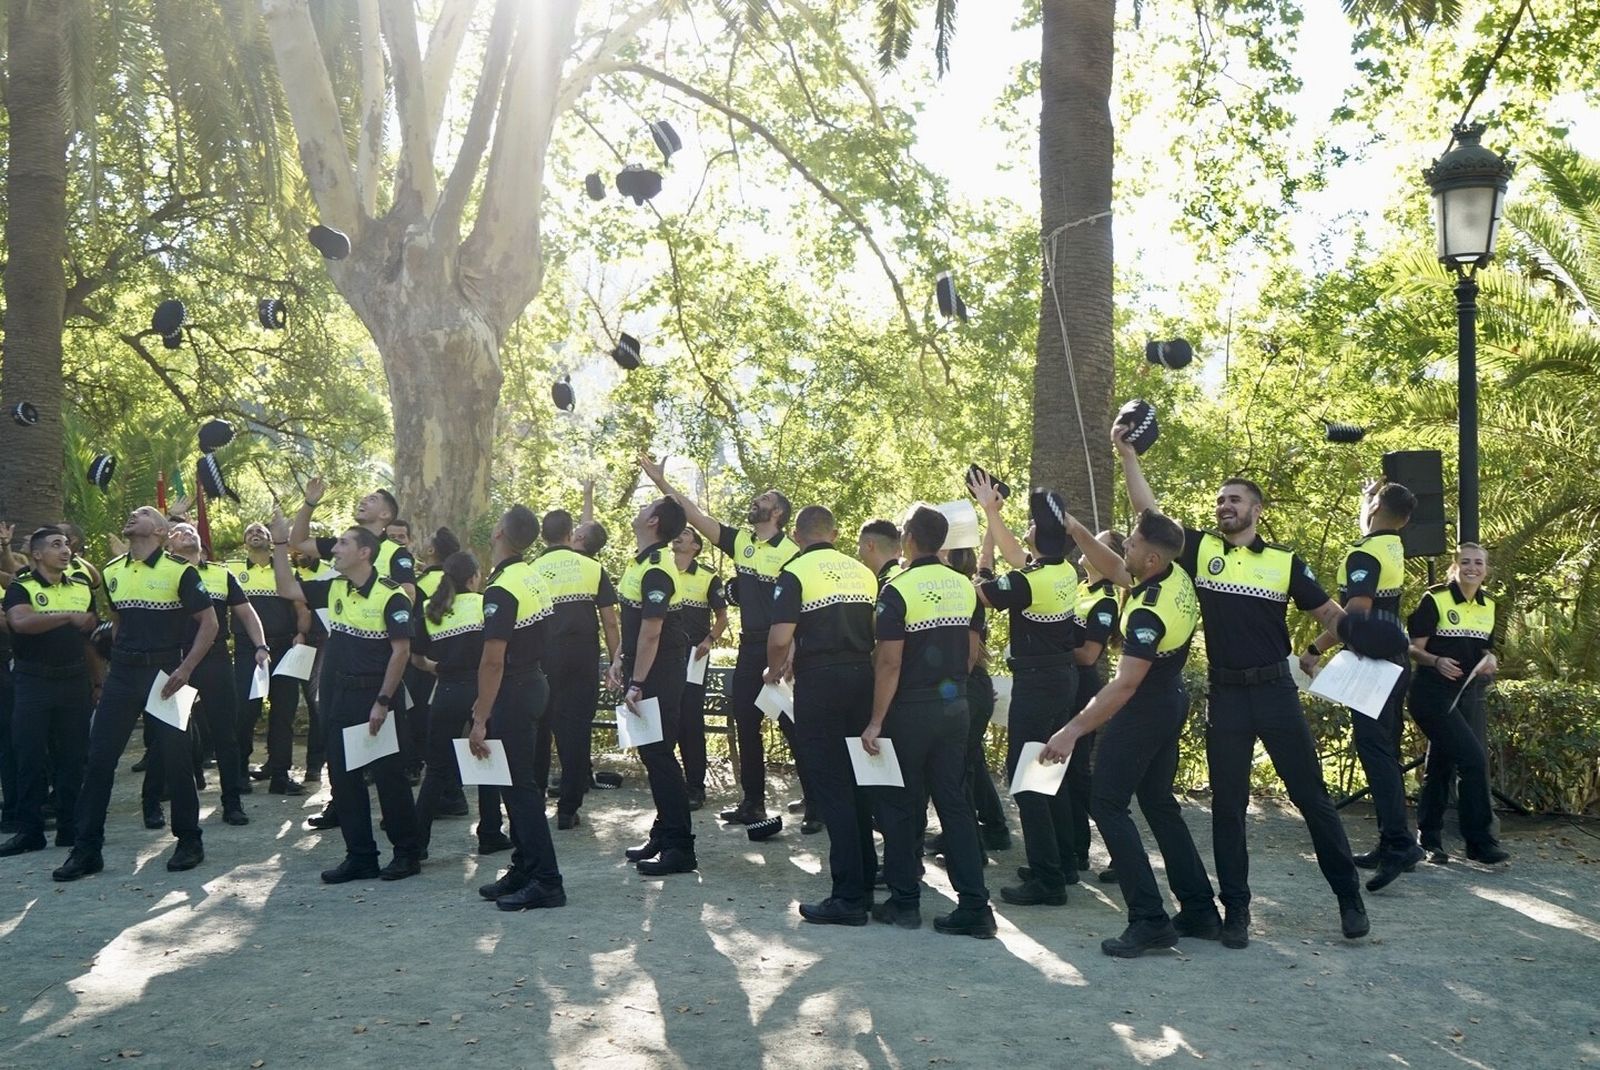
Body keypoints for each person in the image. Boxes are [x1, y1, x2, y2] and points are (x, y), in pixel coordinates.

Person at [1114, 427, 1368, 948]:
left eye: (1235, 499)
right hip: (1226, 697)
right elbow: (1149, 515)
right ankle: (1237, 914)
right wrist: (1127, 454)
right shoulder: (1201, 549)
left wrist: (1337, 647)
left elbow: (1329, 613)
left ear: (1257, 509)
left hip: (1276, 693)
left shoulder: (1285, 562)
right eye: (1220, 499)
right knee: (1228, 809)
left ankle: (1349, 899)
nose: (1225, 505)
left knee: (1312, 799)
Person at [54, 506, 218, 880]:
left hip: (167, 673)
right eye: (129, 512)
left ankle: (190, 840)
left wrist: (186, 668)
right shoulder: (111, 571)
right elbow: (118, 620)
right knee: (98, 759)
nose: (131, 515)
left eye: (142, 513)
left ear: (160, 531)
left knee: (177, 761)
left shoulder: (181, 571)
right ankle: (86, 850)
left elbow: (209, 623)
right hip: (124, 675)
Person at [638, 452, 802, 825]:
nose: (755, 501)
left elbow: (801, 608)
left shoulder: (792, 554)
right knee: (746, 721)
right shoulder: (741, 540)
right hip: (750, 646)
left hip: (783, 646)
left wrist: (792, 651)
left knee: (793, 725)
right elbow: (695, 515)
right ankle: (754, 803)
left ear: (777, 514)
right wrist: (663, 484)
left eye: (765, 500)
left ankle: (817, 803)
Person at [861, 505, 996, 938]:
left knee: (902, 804)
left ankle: (905, 902)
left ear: (908, 539)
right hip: (955, 705)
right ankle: (975, 905)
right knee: (955, 804)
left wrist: (875, 721)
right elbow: (973, 653)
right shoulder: (966, 587)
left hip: (910, 709)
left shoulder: (896, 590)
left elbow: (888, 663)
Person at [266, 512, 421, 883]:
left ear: (364, 552)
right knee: (344, 778)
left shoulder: (391, 595)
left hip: (377, 697)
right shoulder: (334, 586)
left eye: (343, 543)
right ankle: (361, 856)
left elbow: (400, 653)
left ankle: (406, 854)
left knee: (389, 778)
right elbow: (287, 588)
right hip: (339, 697)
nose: (334, 549)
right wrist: (280, 544)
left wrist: (383, 701)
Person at [767, 505, 879, 924]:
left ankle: (847, 898)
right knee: (860, 786)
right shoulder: (863, 573)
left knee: (831, 788)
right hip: (861, 677)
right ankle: (865, 884)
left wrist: (774, 668)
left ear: (797, 536)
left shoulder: (795, 573)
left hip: (820, 682)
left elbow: (780, 637)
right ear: (834, 533)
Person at [971, 480, 1080, 906]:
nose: (1027, 529)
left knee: (1027, 780)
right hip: (1061, 678)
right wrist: (990, 515)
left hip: (1038, 684)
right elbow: (1016, 558)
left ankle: (1048, 880)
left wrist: (991, 517)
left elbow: (980, 590)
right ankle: (1062, 862)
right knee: (1051, 771)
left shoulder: (1029, 580)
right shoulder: (1061, 570)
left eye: (1031, 524)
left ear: (1037, 536)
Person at [1311, 482, 1423, 891]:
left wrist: (1314, 647)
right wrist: (1366, 502)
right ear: (1407, 520)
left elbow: (1355, 616)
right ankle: (1391, 839)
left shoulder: (1364, 554)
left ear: (1379, 508)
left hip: (1373, 667)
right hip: (1394, 661)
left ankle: (1399, 844)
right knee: (1384, 753)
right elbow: (1372, 529)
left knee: (1375, 753)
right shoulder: (1392, 546)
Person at [470, 505, 568, 910]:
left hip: (513, 690)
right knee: (518, 786)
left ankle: (547, 880)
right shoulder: (531, 575)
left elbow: (493, 658)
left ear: (498, 533)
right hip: (534, 684)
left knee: (520, 789)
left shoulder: (502, 587)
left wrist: (479, 715)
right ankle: (524, 867)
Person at [145, 522, 264, 829]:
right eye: (179, 531)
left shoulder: (222, 574)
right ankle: (153, 802)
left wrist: (261, 645)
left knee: (226, 734)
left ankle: (232, 802)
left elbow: (247, 613)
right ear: (169, 544)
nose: (187, 533)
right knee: (166, 735)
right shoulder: (160, 571)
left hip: (214, 660)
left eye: (192, 531)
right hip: (174, 659)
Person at [605, 495, 697, 877]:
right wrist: (618, 661)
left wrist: (637, 682)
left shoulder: (658, 566)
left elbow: (653, 631)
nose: (638, 511)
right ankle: (663, 832)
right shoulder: (642, 561)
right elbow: (634, 622)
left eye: (645, 508)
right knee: (651, 754)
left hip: (659, 670)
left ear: (654, 521)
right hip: (644, 667)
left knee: (660, 755)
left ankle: (680, 848)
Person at [1408, 543, 1509, 866]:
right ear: (1455, 565)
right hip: (1431, 695)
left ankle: (1430, 840)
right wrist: (1435, 661)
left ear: (1486, 569)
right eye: (1465, 561)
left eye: (1478, 563)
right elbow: (1412, 648)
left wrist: (1491, 658)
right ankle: (1479, 843)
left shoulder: (1489, 604)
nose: (1472, 567)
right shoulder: (1435, 598)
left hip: (1465, 695)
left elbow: (1484, 650)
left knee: (1441, 765)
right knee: (1473, 759)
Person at [1, 527, 97, 856]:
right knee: (28, 754)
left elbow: (90, 642)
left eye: (67, 543)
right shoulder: (21, 587)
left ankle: (70, 828)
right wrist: (68, 616)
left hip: (74, 681)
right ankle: (30, 831)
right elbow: (21, 622)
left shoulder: (83, 587)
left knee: (73, 757)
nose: (65, 549)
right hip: (33, 681)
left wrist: (97, 682)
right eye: (56, 545)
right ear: (37, 554)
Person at [532, 508, 620, 829]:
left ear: (543, 535)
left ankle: (536, 798)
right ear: (570, 535)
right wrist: (615, 661)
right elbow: (610, 621)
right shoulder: (593, 567)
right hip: (583, 658)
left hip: (543, 658)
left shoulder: (531, 570)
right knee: (577, 729)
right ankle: (568, 809)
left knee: (540, 728)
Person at [410, 550, 491, 859]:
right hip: (482, 688)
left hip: (445, 690)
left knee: (436, 769)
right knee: (489, 761)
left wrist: (438, 668)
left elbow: (416, 658)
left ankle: (418, 842)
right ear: (472, 578)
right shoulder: (485, 604)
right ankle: (490, 833)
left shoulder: (432, 610)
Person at [229, 522, 309, 795]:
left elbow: (301, 607)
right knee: (245, 711)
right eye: (250, 531)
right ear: (244, 542)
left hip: (285, 648)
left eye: (261, 531)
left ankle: (280, 775)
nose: (255, 534)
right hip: (246, 650)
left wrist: (301, 633)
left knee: (283, 713)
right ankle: (239, 771)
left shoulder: (287, 570)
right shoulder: (233, 570)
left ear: (270, 539)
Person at [1067, 530, 1124, 877]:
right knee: (1069, 775)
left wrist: (1046, 650)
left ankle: (1116, 848)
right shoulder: (1079, 589)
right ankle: (1074, 850)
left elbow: (1089, 655)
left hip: (1082, 689)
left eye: (1096, 545)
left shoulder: (1105, 600)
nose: (1085, 547)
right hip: (1064, 686)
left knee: (1078, 775)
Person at [405, 527, 463, 794]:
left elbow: (414, 626)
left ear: (431, 551)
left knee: (422, 719)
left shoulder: (424, 584)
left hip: (425, 661)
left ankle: (422, 770)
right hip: (453, 661)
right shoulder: (457, 581)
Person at [673, 527, 727, 812]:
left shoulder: (707, 577)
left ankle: (696, 787)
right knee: (666, 717)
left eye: (684, 534)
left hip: (694, 656)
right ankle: (670, 782)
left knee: (690, 720)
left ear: (695, 546)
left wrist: (710, 640)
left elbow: (722, 618)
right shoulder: (660, 569)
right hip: (663, 657)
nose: (677, 538)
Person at [857, 519, 901, 590]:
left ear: (869, 546)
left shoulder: (884, 586)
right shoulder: (908, 577)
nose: (858, 551)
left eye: (859, 545)